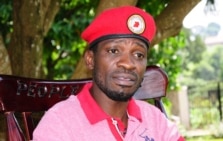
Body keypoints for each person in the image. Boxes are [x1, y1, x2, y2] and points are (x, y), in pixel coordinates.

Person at [33, 6, 185, 141]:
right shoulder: (59, 124)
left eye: (138, 55)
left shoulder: (154, 119)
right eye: (113, 51)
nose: (128, 63)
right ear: (91, 59)